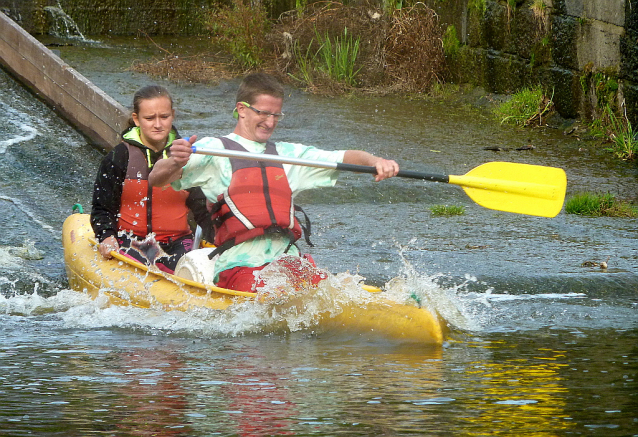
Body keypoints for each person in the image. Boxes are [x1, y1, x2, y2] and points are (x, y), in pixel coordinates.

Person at [148, 73, 399, 291]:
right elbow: (157, 178)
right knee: (277, 296)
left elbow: (343, 157)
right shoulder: (213, 149)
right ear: (242, 109)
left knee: (332, 290)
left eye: (276, 115)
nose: (270, 122)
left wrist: (375, 161)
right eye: (263, 113)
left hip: (289, 262)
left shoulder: (289, 154)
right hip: (240, 266)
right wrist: (174, 161)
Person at [90, 85, 210, 273]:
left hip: (177, 242)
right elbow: (102, 208)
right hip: (130, 240)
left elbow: (202, 210)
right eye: (149, 118)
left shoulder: (186, 158)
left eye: (164, 117)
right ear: (136, 119)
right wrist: (106, 236)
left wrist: (222, 238)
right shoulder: (119, 157)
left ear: (173, 115)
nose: (158, 124)